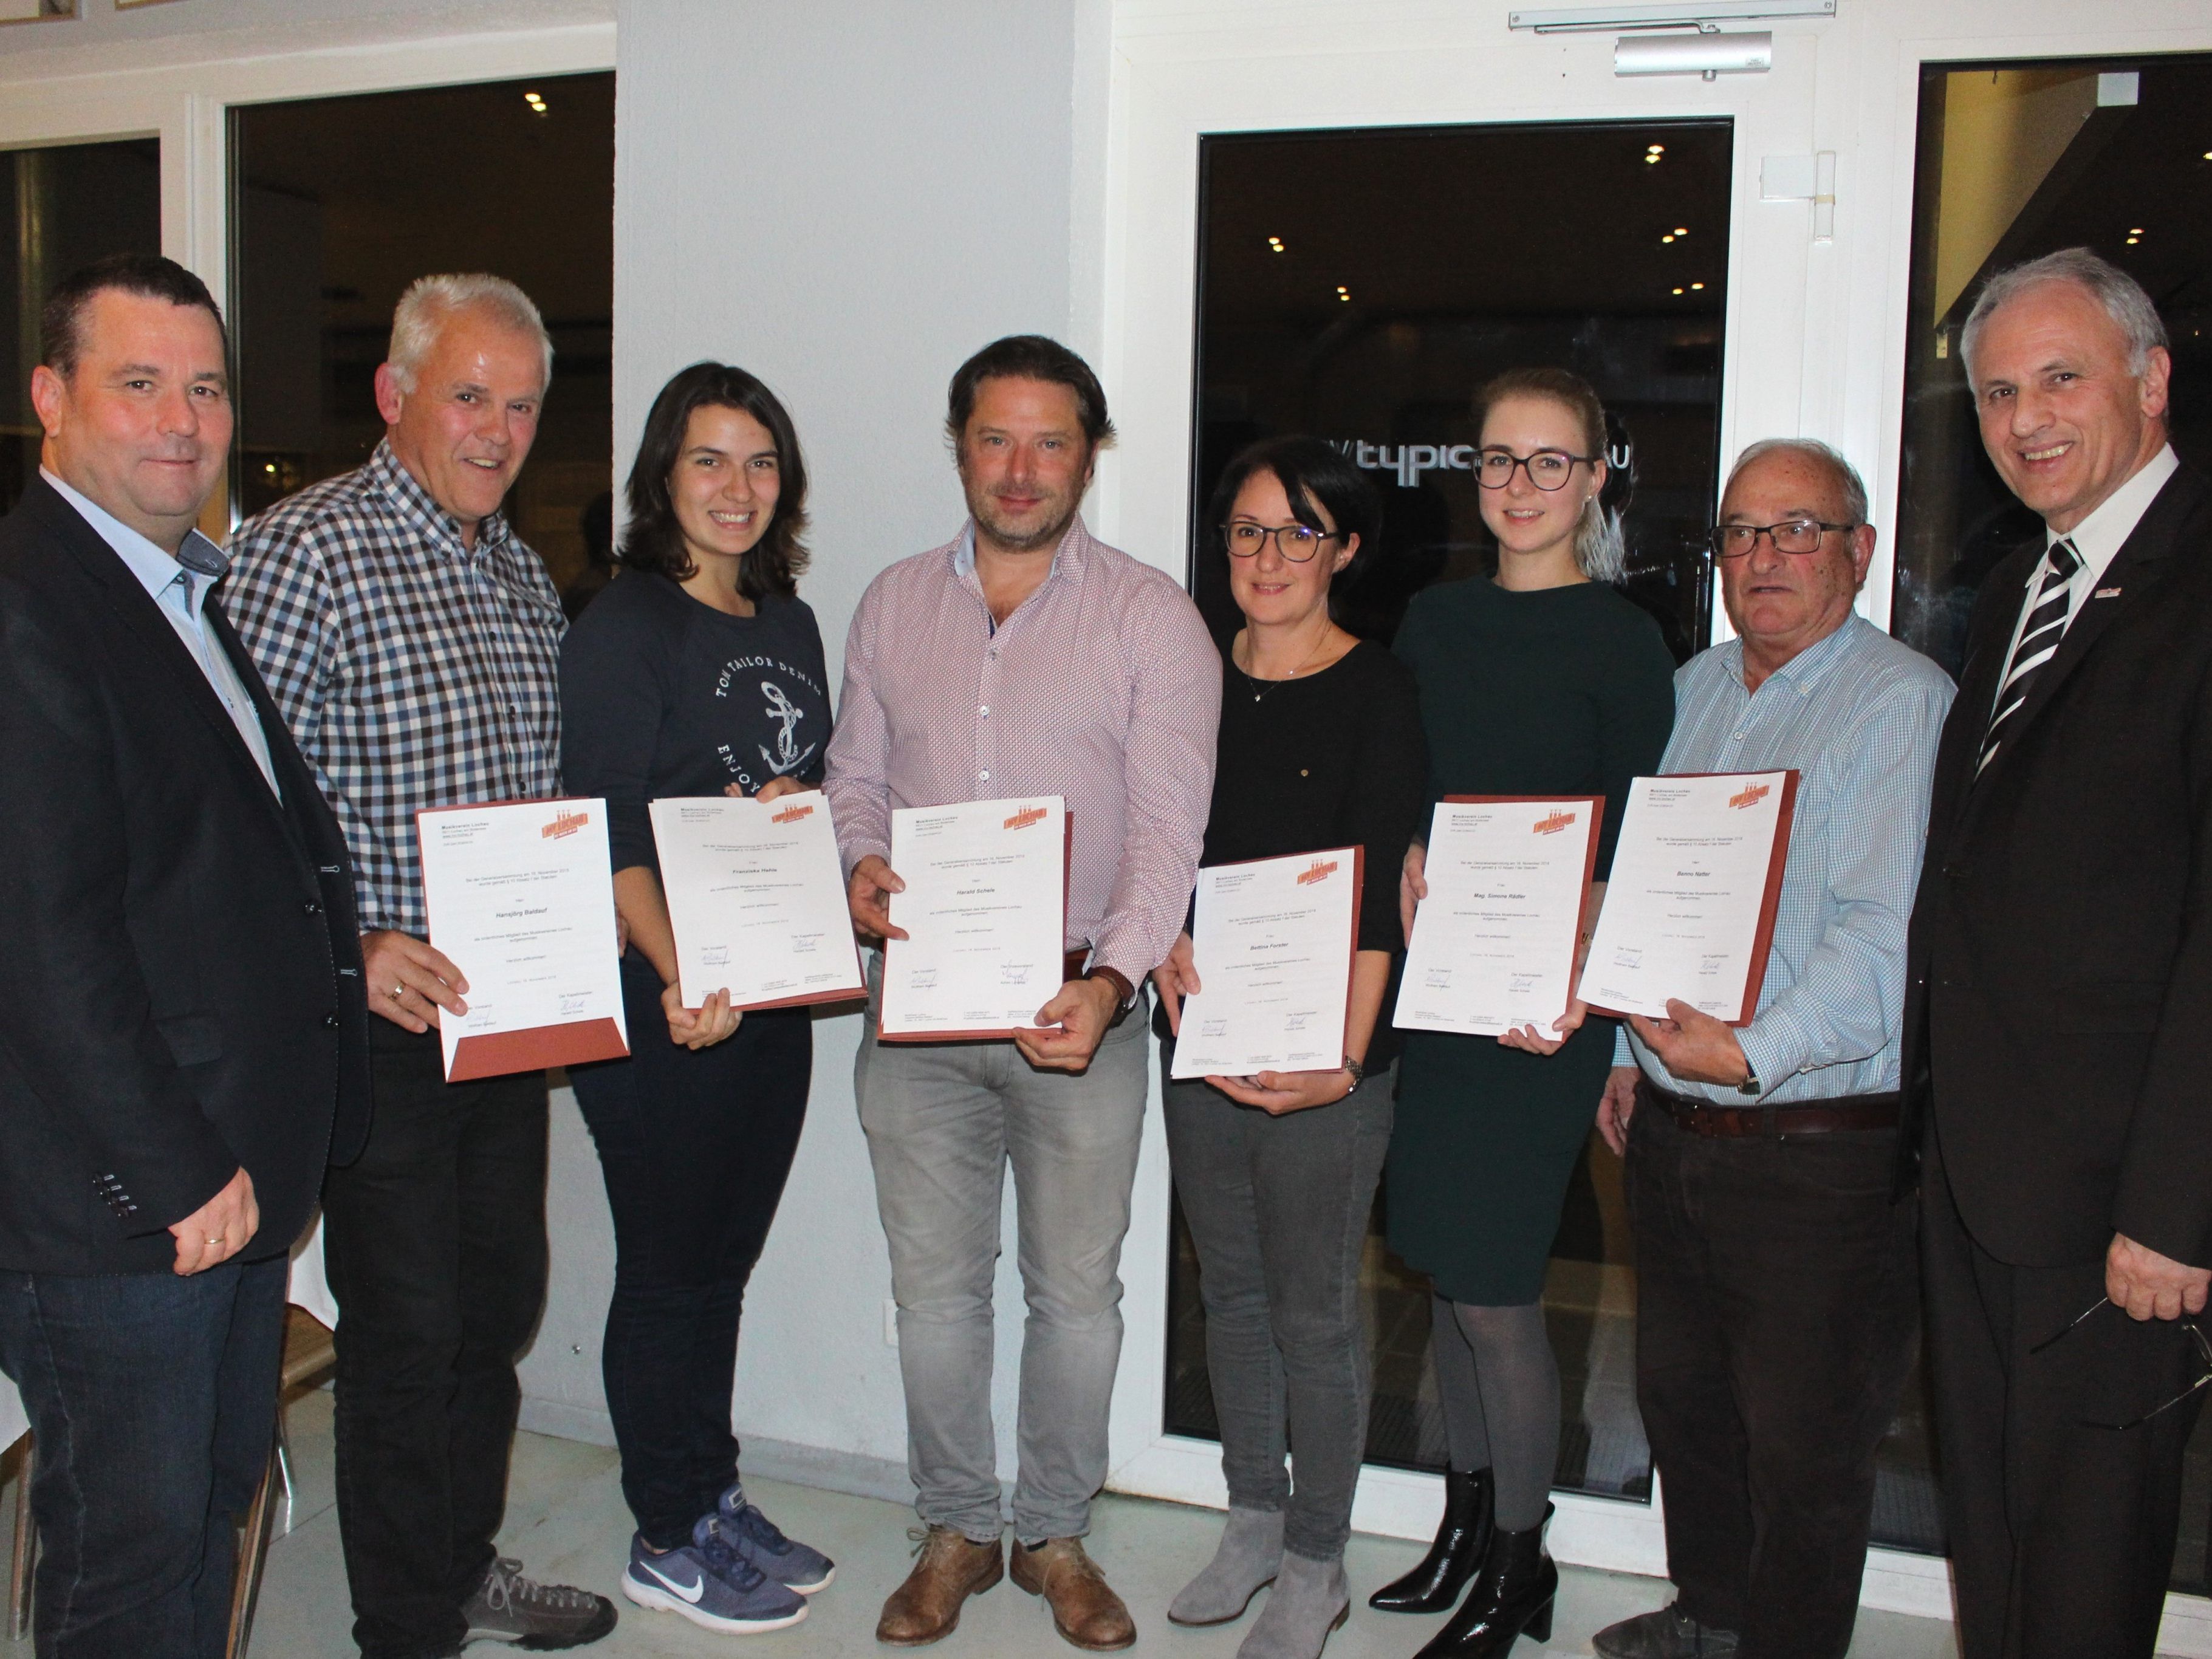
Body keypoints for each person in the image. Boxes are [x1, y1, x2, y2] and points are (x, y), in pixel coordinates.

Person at [227, 273, 615, 1658]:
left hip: (505, 1027)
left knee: (496, 1308)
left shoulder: (513, 570)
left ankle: (458, 1563)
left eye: (521, 404)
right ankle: (407, 1624)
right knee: (407, 1329)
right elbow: (229, 802)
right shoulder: (302, 551)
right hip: (382, 1027)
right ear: (396, 394)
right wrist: (349, 946)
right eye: (470, 394)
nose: (498, 429)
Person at [0, 253, 370, 1658]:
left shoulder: (178, 590)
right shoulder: (32, 603)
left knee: (204, 1518)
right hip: (126, 1209)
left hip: (219, 1191)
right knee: (126, 1562)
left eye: (205, 387)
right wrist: (175, 1170)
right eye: (138, 382)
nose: (182, 418)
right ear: (52, 397)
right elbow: (40, 940)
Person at [823, 335, 1218, 1652]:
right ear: (959, 445)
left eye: (1052, 440)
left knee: (1077, 1298)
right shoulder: (889, 604)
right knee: (933, 1296)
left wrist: (1112, 986)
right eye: (997, 437)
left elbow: (1170, 837)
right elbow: (855, 782)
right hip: (920, 1016)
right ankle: (955, 1527)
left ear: (1089, 453)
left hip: (1079, 1015)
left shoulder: (1150, 617)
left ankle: (1052, 1534)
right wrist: (858, 863)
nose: (1022, 467)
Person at [1586, 439, 1953, 1659]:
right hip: (1679, 1130)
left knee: (1808, 1442)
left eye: (1800, 530)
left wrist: (1750, 1051)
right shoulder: (1691, 689)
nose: (1766, 556)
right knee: (1685, 1403)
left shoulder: (1899, 700)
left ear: (1859, 550)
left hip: (1815, 1148)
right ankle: (1711, 1611)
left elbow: (1881, 936)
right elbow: (1648, 893)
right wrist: (1630, 1057)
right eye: (1743, 531)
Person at [1908, 247, 2212, 1659]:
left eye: (2060, 378)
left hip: (2117, 1204)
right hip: (1983, 1171)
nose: (2025, 417)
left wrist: (2178, 1206)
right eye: (1995, 392)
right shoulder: (2030, 586)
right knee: (1999, 1530)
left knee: (2088, 1560)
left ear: (2152, 382)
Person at [1376, 368, 1674, 1658]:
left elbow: (1642, 835)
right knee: (1444, 1276)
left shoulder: (1624, 640)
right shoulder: (1434, 622)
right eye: (1499, 459)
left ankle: (1524, 1558)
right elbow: (1411, 787)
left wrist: (1586, 981)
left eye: (1551, 462)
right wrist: (1402, 856)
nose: (1520, 486)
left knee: (1498, 1295)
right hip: (1444, 995)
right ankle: (1463, 1519)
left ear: (1596, 480)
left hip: (1543, 1010)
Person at [559, 361, 836, 1637]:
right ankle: (667, 1532)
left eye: (760, 461)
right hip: (666, 1002)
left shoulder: (785, 618)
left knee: (721, 1264)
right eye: (710, 460)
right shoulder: (627, 622)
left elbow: (786, 790)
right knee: (668, 1269)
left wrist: (796, 815)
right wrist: (679, 972)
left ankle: (711, 1490)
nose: (737, 488)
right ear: (663, 475)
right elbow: (610, 830)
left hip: (767, 1000)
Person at [1150, 437, 1426, 1659]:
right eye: (1248, 532)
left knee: (1316, 1311)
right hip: (1201, 1036)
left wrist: (1348, 1062)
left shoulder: (1382, 688)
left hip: (1330, 1060)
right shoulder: (1187, 682)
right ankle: (1252, 1517)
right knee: (1232, 1292)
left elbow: (1377, 891)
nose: (1268, 558)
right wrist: (1154, 940)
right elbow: (1149, 841)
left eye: (1298, 533)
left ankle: (1318, 1559)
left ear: (1344, 550)